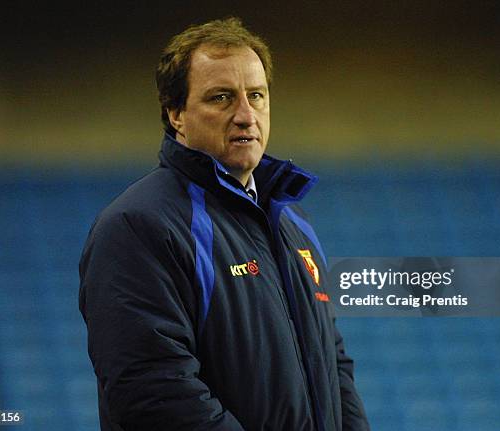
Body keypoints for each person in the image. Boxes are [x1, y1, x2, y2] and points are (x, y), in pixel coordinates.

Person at [79, 17, 370, 431]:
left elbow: (333, 362)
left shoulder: (293, 222)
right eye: (221, 98)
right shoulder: (139, 225)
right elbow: (152, 391)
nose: (246, 115)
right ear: (176, 113)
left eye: (257, 95)